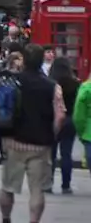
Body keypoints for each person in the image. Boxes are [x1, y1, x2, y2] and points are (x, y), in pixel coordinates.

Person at [0, 44, 64, 223]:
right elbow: (59, 117)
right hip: (40, 144)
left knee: (7, 187)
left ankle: (6, 218)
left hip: (13, 141)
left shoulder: (11, 81)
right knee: (37, 190)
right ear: (42, 60)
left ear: (24, 60)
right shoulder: (52, 86)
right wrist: (52, 135)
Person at [48, 57, 80, 195]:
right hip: (69, 120)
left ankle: (48, 184)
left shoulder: (50, 83)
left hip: (53, 120)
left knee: (51, 154)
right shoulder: (76, 83)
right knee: (66, 154)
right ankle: (66, 185)